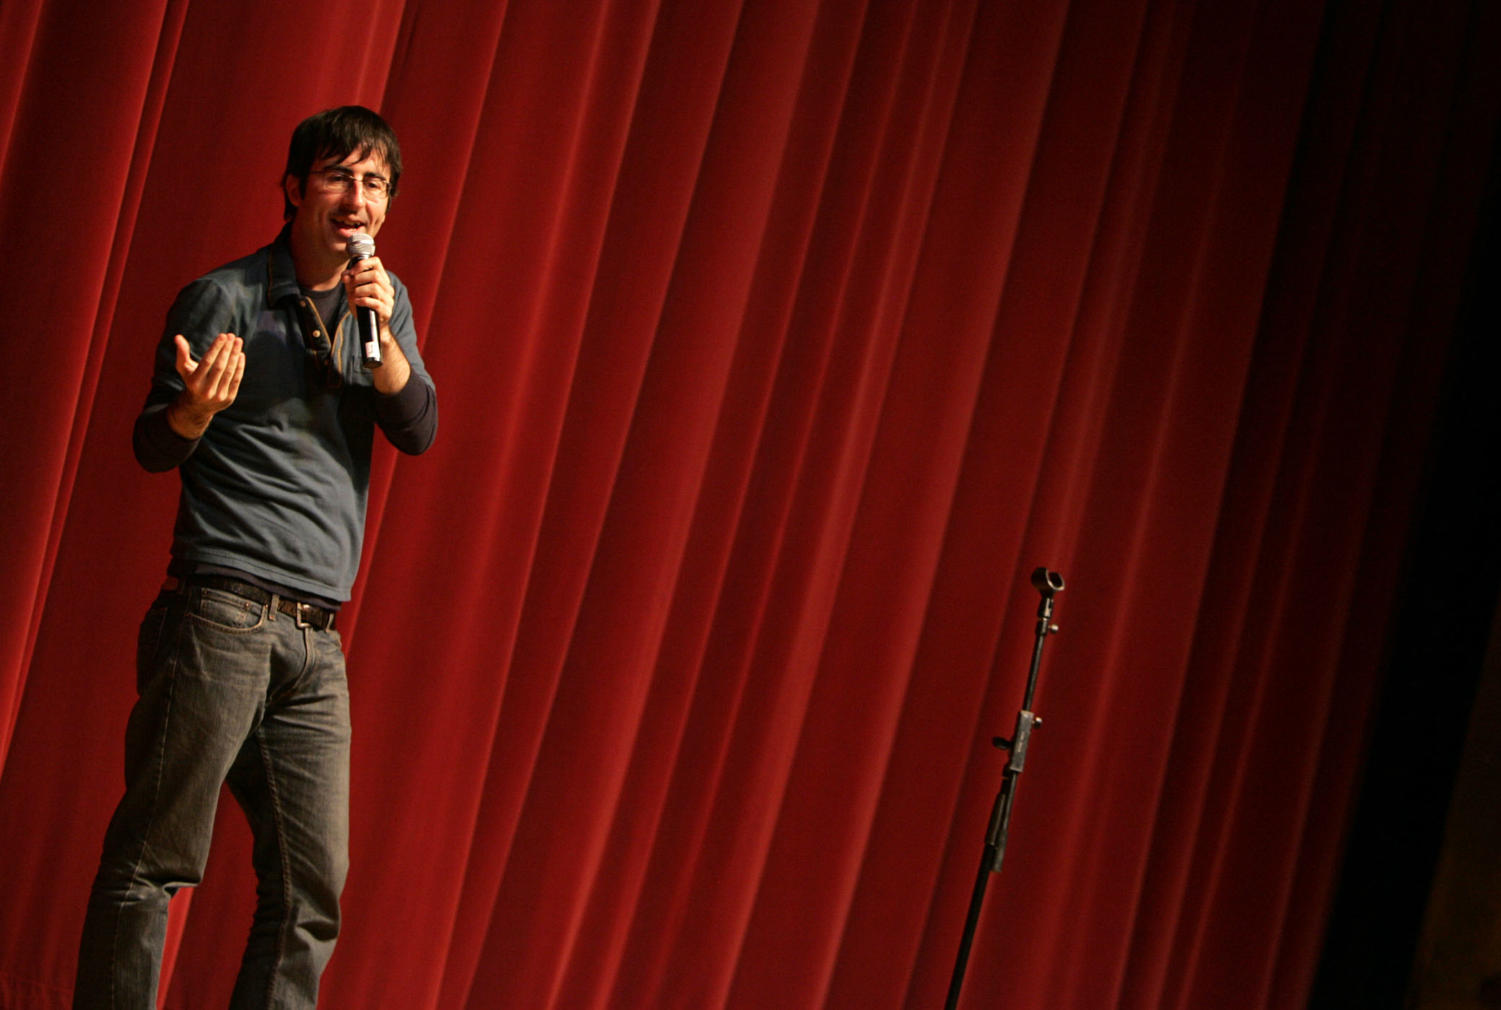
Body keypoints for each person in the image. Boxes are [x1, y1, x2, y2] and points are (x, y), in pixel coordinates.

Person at [75, 105, 437, 1009]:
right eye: (338, 178)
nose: (357, 199)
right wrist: (193, 412)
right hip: (220, 613)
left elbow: (418, 427)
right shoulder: (225, 296)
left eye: (375, 184)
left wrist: (382, 336)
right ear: (293, 189)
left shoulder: (380, 308)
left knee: (311, 895)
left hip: (317, 641)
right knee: (155, 861)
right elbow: (152, 445)